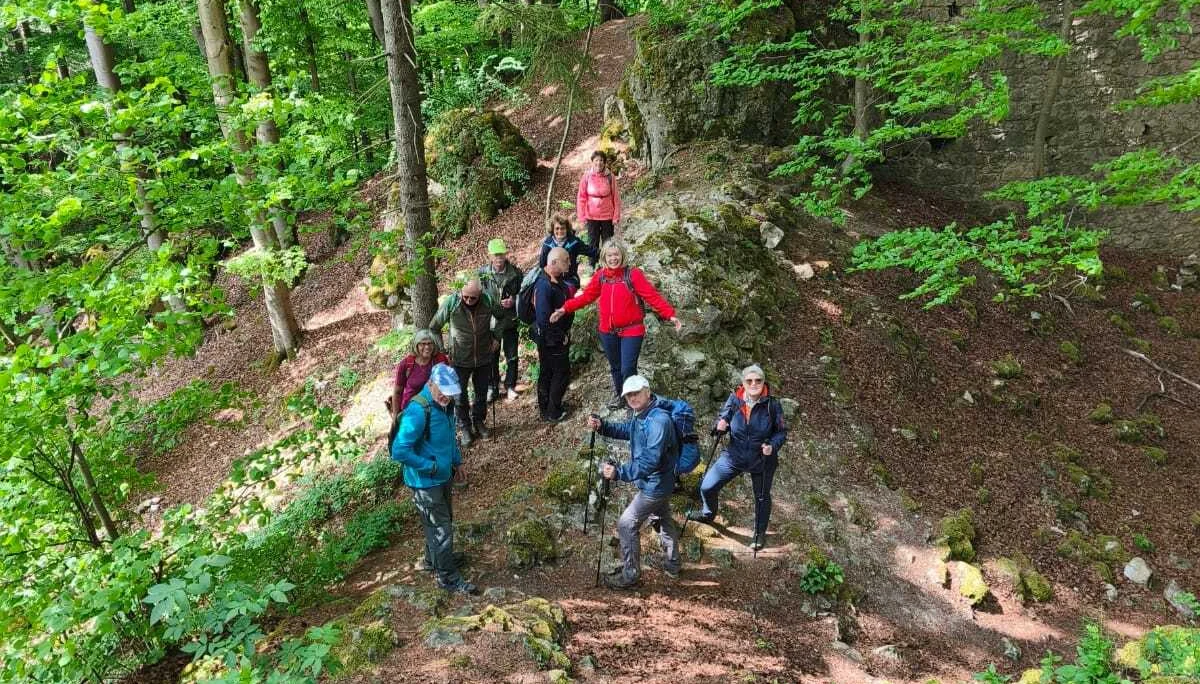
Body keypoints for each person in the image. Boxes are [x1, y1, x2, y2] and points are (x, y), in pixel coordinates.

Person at [551, 240, 682, 410]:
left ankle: (634, 402)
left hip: (632, 330)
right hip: (608, 331)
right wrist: (565, 308)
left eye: (616, 254)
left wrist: (670, 315)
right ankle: (621, 394)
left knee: (628, 368)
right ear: (604, 257)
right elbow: (586, 297)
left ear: (622, 255)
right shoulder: (601, 276)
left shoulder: (632, 274)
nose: (614, 258)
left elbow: (651, 295)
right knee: (615, 367)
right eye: (610, 255)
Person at [390, 363, 478, 595]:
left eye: (450, 393)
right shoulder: (418, 410)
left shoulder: (445, 405)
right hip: (425, 481)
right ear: (431, 383)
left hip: (442, 475)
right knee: (441, 527)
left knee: (442, 520)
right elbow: (399, 451)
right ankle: (447, 577)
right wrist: (429, 467)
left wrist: (456, 462)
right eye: (443, 392)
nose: (447, 397)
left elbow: (448, 438)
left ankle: (435, 559)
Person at [587, 375, 681, 589]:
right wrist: (603, 426)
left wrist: (619, 473)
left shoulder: (658, 421)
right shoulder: (642, 414)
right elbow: (627, 430)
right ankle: (673, 564)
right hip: (661, 482)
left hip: (655, 485)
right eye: (628, 394)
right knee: (663, 519)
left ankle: (630, 575)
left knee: (626, 524)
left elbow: (650, 460)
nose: (632, 397)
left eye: (636, 392)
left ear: (647, 391)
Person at [689, 364, 787, 551]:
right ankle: (708, 514)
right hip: (735, 455)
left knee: (761, 497)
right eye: (749, 381)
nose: (754, 384)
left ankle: (759, 533)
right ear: (743, 382)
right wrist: (720, 424)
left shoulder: (772, 405)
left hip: (762, 459)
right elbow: (722, 418)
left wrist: (772, 446)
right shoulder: (735, 400)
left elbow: (781, 432)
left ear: (763, 382)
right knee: (707, 486)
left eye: (758, 380)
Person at [429, 279, 499, 446]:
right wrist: (443, 351)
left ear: (480, 295)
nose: (468, 301)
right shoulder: (452, 303)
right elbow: (434, 327)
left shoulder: (488, 301)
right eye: (465, 297)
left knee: (481, 392)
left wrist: (496, 336)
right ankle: (465, 427)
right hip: (459, 358)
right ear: (461, 293)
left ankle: (479, 421)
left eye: (473, 298)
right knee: (460, 396)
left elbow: (502, 317)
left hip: (483, 355)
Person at [533, 247, 575, 422]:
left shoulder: (555, 280)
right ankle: (553, 410)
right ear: (554, 263)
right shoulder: (544, 285)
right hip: (551, 339)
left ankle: (546, 408)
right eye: (566, 260)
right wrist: (560, 336)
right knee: (560, 372)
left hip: (551, 337)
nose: (569, 263)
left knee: (548, 372)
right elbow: (544, 319)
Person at [479, 238, 522, 402]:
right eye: (496, 255)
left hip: (510, 320)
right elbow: (477, 296)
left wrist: (514, 300)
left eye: (501, 254)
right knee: (491, 356)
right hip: (491, 323)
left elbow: (524, 295)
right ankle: (492, 387)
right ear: (490, 256)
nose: (499, 258)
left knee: (512, 355)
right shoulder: (482, 274)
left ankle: (510, 386)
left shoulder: (516, 273)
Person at [388, 329, 450, 419]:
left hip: (435, 411)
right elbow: (397, 392)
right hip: (411, 411)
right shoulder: (406, 364)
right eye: (423, 344)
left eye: (430, 343)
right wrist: (396, 417)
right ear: (416, 346)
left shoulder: (440, 360)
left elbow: (449, 385)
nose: (427, 347)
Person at [538, 215, 598, 289]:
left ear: (567, 229)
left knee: (566, 293)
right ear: (553, 230)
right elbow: (542, 265)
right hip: (552, 279)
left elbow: (590, 251)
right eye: (557, 228)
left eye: (562, 228)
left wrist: (606, 255)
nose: (560, 231)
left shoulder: (574, 242)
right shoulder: (547, 244)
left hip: (570, 278)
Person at [577, 151, 621, 249]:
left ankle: (608, 264)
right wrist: (581, 217)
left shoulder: (610, 177)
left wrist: (616, 216)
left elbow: (616, 197)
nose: (599, 163)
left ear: (604, 163)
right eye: (596, 160)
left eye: (601, 160)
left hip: (607, 216)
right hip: (591, 217)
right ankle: (593, 264)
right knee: (593, 243)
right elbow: (581, 198)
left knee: (608, 243)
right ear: (592, 162)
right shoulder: (586, 176)